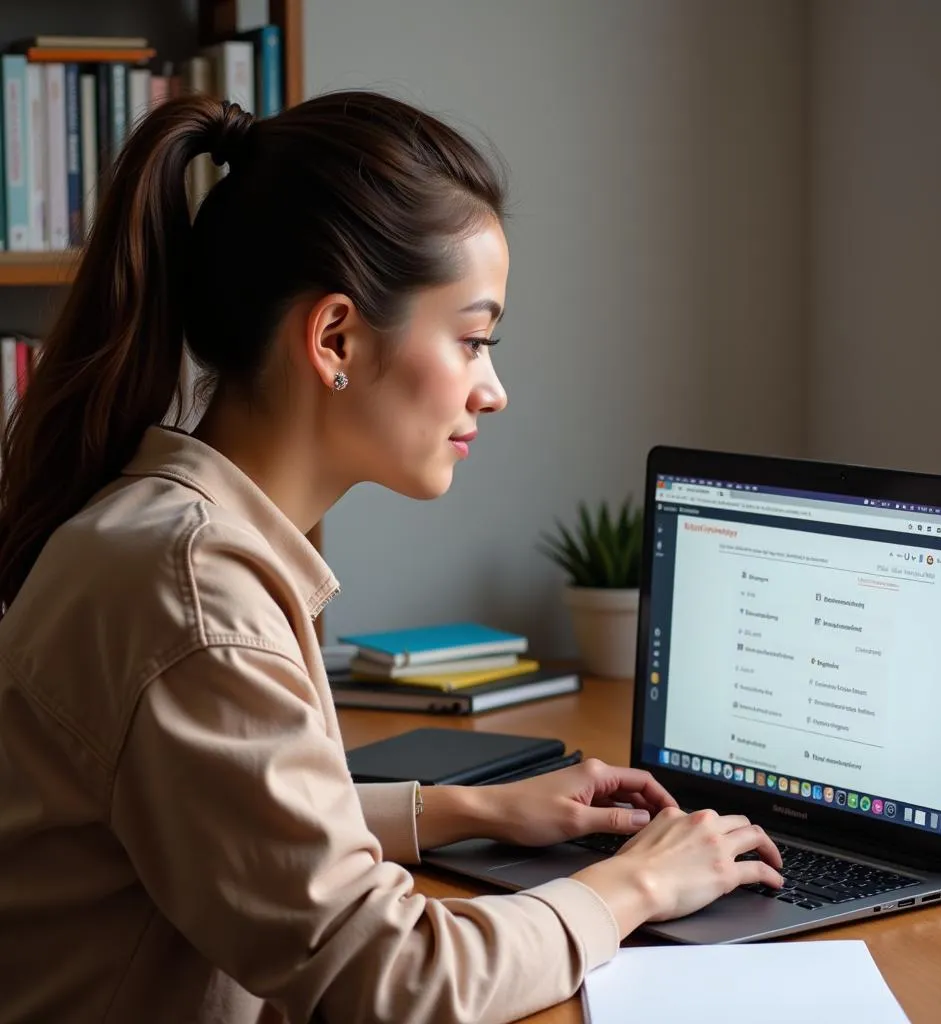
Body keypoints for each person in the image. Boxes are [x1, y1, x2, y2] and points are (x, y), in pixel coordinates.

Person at [0, 91, 783, 1024]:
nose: (492, 390)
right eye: (472, 339)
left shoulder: (168, 537)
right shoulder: (195, 599)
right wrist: (636, 889)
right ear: (335, 338)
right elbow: (390, 981)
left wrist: (475, 811)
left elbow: (237, 826)